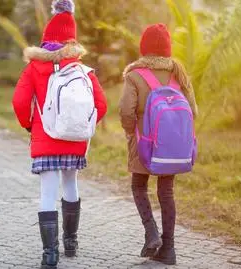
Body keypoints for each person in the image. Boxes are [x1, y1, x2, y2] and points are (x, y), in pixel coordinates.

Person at [12, 1, 107, 268]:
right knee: (70, 185)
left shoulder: (33, 67)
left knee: (47, 192)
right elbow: (101, 105)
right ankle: (71, 242)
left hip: (45, 140)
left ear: (46, 38)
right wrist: (82, 126)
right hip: (74, 141)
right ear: (72, 40)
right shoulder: (81, 69)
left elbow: (19, 102)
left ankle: (50, 255)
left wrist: (30, 125)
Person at [119, 23, 198, 265]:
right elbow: (193, 111)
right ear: (167, 49)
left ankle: (151, 232)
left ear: (144, 49)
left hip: (144, 143)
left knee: (138, 186)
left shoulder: (134, 76)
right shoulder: (179, 74)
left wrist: (131, 132)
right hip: (172, 147)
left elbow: (125, 111)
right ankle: (169, 249)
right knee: (166, 192)